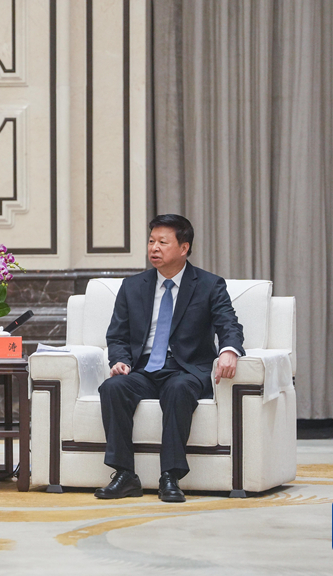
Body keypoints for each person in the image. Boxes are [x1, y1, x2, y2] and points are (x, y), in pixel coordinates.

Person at [96, 214, 244, 502]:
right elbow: (117, 335)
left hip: (186, 370)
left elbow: (229, 324)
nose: (154, 248)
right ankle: (125, 474)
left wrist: (228, 351)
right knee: (112, 387)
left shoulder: (209, 285)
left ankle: (170, 476)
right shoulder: (132, 286)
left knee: (177, 390)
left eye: (163, 242)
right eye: (151, 241)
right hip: (144, 369)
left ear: (184, 247)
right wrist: (120, 360)